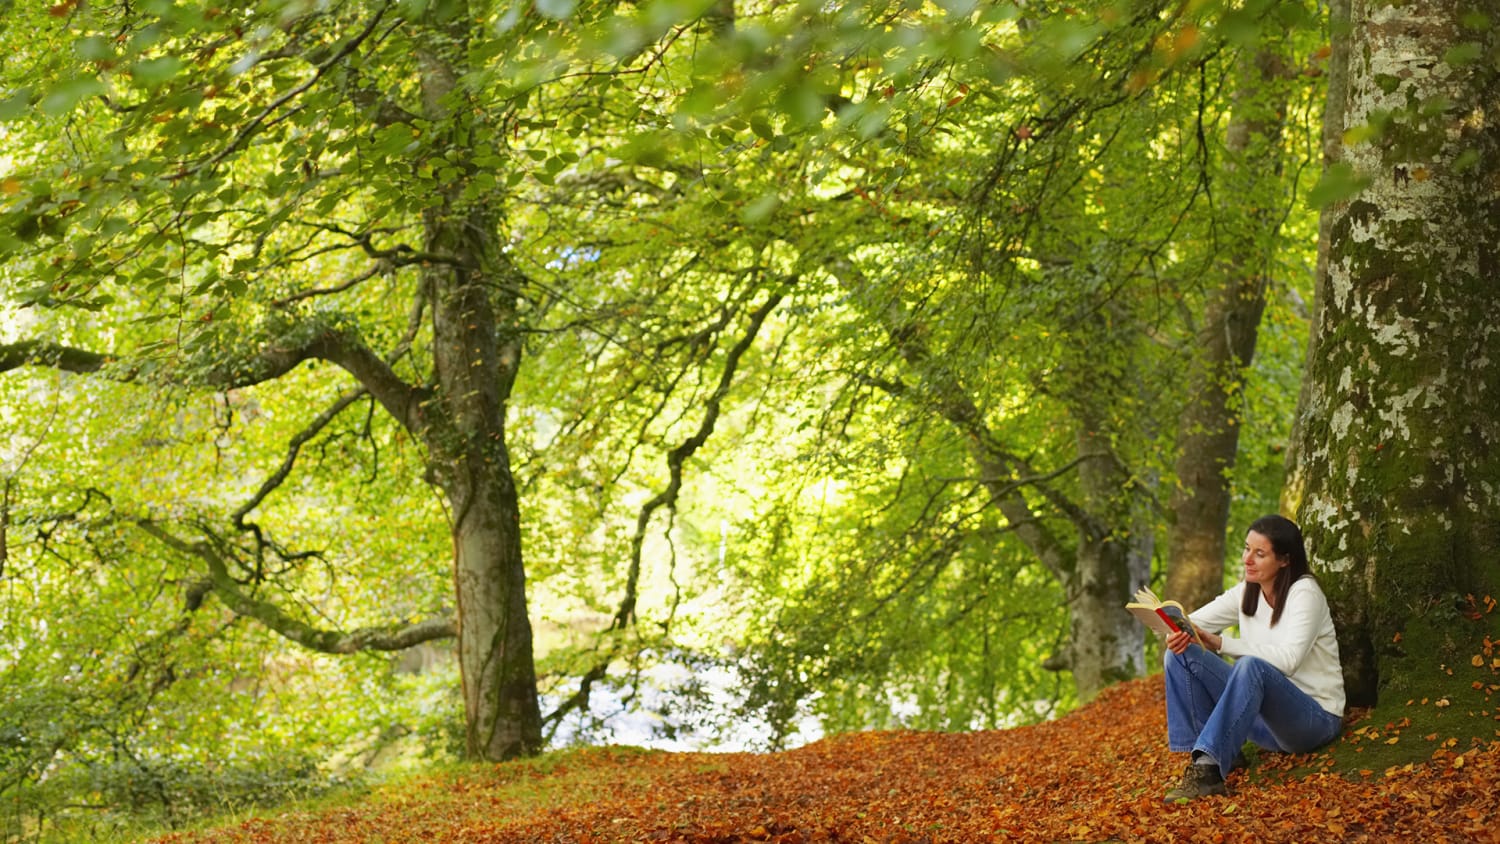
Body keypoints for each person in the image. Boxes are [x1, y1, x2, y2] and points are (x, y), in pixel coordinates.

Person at [1161, 513, 1345, 802]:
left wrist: (1222, 642)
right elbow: (1192, 621)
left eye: (1259, 554)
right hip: (1264, 725)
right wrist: (1175, 632)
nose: (1248, 559)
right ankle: (1215, 756)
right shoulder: (1247, 591)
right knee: (1180, 655)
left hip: (1313, 721)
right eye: (1247, 549)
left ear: (1284, 560)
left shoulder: (1305, 593)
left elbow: (1289, 660)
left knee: (1251, 667)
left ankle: (1208, 772)